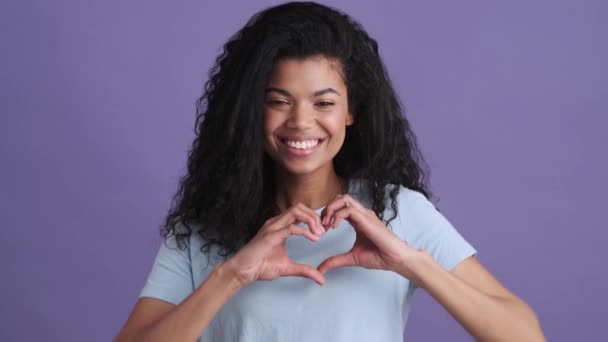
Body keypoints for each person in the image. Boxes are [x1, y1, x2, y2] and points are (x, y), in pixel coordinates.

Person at [115, 2, 545, 341]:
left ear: (351, 110)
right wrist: (233, 275)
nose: (301, 122)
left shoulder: (396, 213)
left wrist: (411, 263)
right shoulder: (201, 229)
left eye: (323, 103)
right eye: (279, 101)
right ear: (250, 109)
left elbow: (524, 336)